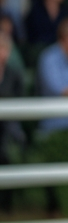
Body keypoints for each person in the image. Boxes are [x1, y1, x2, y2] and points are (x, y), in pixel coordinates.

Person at [0, 33, 25, 213]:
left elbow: (20, 101)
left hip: (9, 125)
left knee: (8, 149)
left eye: (5, 49)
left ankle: (7, 206)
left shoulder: (14, 73)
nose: (3, 53)